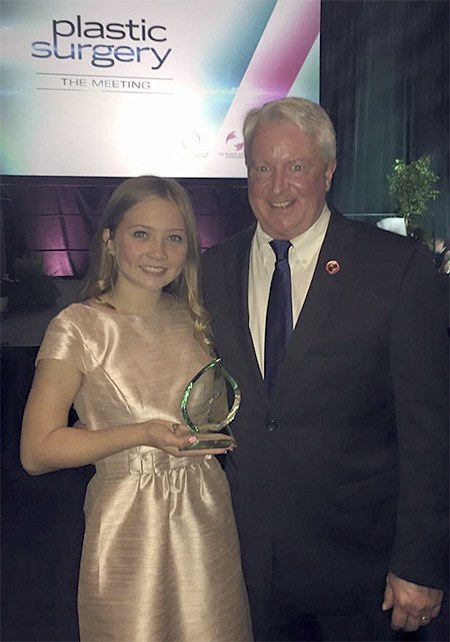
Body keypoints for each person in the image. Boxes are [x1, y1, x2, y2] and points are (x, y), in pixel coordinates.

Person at [201, 97, 448, 641]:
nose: (277, 185)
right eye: (262, 167)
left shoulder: (395, 267)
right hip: (240, 566)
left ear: (329, 172)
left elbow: (429, 430)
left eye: (297, 166)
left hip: (360, 572)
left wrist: (420, 564)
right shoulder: (212, 270)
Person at [20, 176, 253, 642]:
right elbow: (37, 451)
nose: (158, 252)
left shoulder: (198, 319)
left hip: (207, 512)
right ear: (110, 239)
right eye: (141, 234)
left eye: (175, 238)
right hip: (129, 524)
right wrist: (141, 433)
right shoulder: (79, 328)